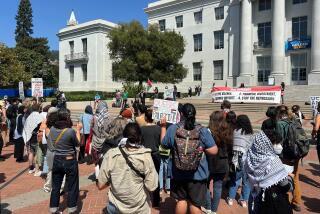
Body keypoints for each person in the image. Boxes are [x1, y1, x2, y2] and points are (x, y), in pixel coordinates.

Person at [161, 103, 218, 214]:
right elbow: (214, 150)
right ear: (195, 114)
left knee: (181, 200)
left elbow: (163, 144)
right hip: (198, 173)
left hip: (178, 172)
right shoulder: (202, 130)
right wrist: (200, 148)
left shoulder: (173, 128)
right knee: (195, 203)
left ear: (181, 114)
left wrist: (163, 126)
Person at [97, 123, 158, 214]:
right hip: (139, 208)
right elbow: (152, 186)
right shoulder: (146, 157)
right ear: (140, 137)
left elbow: (100, 185)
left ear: (124, 136)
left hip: (115, 206)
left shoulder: (111, 154)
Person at [245, 130, 294, 214]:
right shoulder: (273, 161)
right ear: (268, 144)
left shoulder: (250, 156)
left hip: (254, 197)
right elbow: (286, 186)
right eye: (276, 143)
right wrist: (289, 178)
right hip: (269, 202)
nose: (279, 146)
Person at [49, 108, 81, 214]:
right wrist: (78, 130)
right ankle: (71, 208)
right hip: (69, 160)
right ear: (67, 117)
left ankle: (54, 208)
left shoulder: (52, 129)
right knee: (72, 185)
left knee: (56, 186)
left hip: (57, 159)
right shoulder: (70, 131)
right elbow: (78, 143)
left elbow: (52, 144)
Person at [206, 111, 233, 213]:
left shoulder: (208, 132)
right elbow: (230, 149)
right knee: (218, 187)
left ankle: (208, 207)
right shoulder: (228, 131)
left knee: (205, 185)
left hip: (209, 162)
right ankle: (214, 210)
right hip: (222, 162)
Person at [276, 105, 302, 212]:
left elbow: (279, 140)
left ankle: (282, 200)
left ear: (280, 114)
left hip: (285, 155)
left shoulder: (280, 124)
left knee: (282, 177)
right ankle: (297, 202)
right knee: (295, 177)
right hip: (296, 153)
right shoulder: (295, 122)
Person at [227, 115, 254, 208]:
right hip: (247, 159)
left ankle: (230, 198)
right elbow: (251, 147)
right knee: (246, 181)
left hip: (236, 158)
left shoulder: (235, 131)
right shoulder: (249, 133)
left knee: (235, 179)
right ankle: (244, 201)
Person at [141, 109, 161, 207]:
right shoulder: (159, 128)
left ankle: (146, 198)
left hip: (145, 154)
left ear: (145, 118)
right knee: (156, 176)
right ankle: (156, 201)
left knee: (144, 176)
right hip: (156, 154)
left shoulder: (142, 129)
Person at [91, 102, 111, 178]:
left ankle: (97, 177)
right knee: (104, 160)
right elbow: (110, 129)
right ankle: (104, 177)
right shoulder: (109, 117)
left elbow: (91, 128)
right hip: (105, 142)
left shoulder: (94, 118)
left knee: (96, 161)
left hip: (95, 141)